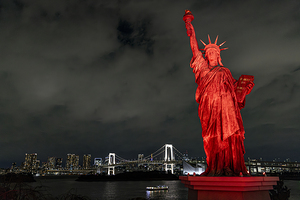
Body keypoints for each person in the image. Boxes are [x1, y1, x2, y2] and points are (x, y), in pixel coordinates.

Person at [183, 10, 254, 176]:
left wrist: (244, 90)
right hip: (210, 109)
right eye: (209, 53)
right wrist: (189, 26)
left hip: (228, 111)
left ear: (219, 55)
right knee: (213, 137)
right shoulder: (203, 70)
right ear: (206, 56)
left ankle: (232, 166)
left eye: (215, 53)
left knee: (230, 137)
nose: (212, 55)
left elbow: (237, 96)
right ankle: (215, 167)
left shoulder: (226, 72)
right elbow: (194, 49)